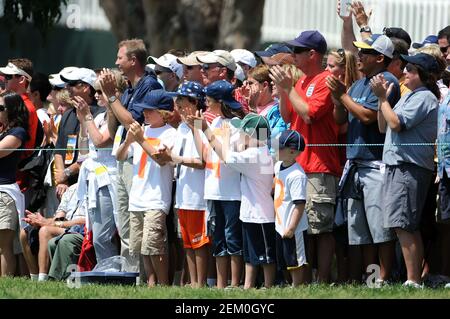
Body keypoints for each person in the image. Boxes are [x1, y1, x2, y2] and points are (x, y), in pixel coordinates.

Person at [327, 34, 401, 283]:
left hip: (375, 164)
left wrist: (343, 97)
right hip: (356, 163)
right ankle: (370, 280)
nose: (359, 56)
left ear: (380, 58)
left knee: (380, 229)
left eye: (366, 52)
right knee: (363, 232)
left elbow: (369, 116)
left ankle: (384, 277)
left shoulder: (386, 80)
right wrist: (338, 100)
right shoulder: (360, 83)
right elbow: (341, 120)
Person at [270, 30, 341, 284]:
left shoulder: (324, 79)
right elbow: (289, 117)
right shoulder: (301, 82)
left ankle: (322, 278)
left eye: (298, 51)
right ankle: (306, 277)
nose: (294, 55)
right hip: (299, 164)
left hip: (319, 165)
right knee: (302, 226)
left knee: (320, 228)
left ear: (312, 54)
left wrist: (289, 88)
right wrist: (282, 91)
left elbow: (309, 113)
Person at [371, 53, 443, 288]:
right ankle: (415, 278)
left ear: (424, 75)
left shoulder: (424, 97)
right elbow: (383, 126)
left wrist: (383, 99)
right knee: (404, 223)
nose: (405, 72)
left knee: (404, 224)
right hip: (398, 165)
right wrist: (382, 100)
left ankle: (412, 279)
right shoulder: (409, 95)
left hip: (408, 167)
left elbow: (397, 124)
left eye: (411, 68)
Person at [188, 112, 275, 289]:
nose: (239, 136)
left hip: (261, 214)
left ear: (251, 135)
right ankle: (247, 286)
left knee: (266, 255)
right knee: (251, 254)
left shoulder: (255, 155)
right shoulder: (260, 151)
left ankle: (268, 285)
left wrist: (205, 129)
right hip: (252, 212)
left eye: (242, 132)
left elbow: (225, 156)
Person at [116, 89, 176, 286]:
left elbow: (160, 160)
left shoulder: (170, 133)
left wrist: (140, 138)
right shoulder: (143, 130)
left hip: (156, 198)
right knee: (141, 246)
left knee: (154, 245)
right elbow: (120, 156)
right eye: (144, 110)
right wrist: (128, 141)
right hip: (137, 198)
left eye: (150, 110)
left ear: (164, 113)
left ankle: (163, 282)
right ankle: (150, 282)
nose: (145, 114)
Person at [160, 81, 210, 288]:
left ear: (194, 102)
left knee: (200, 243)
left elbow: (203, 161)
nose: (178, 106)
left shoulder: (203, 125)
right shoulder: (181, 128)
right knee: (187, 243)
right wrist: (167, 155)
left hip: (198, 195)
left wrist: (176, 158)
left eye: (182, 101)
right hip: (183, 195)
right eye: (177, 102)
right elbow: (175, 156)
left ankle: (201, 281)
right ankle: (192, 280)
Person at [75, 72, 126, 263]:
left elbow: (100, 140)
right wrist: (83, 122)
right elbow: (84, 150)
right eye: (95, 91)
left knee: (105, 235)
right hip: (94, 178)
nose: (96, 95)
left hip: (109, 179)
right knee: (98, 235)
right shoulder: (97, 117)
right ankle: (106, 268)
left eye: (100, 91)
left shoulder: (114, 118)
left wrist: (86, 117)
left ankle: (113, 270)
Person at [21, 183, 85, 281]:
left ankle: (43, 279)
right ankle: (34, 277)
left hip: (81, 229)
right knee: (25, 233)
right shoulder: (72, 189)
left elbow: (86, 221)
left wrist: (50, 224)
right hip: (65, 226)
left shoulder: (92, 189)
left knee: (45, 230)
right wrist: (40, 221)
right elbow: (58, 217)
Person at [274, 130, 309, 287]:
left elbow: (299, 204)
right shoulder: (278, 166)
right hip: (280, 223)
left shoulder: (297, 175)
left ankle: (297, 285)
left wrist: (292, 228)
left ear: (293, 151)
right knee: (284, 257)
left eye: (279, 147)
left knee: (295, 258)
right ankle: (290, 285)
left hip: (293, 226)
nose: (275, 150)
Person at [0, 92, 29, 276]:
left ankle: (5, 283)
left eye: (1, 107)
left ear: (11, 110)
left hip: (4, 194)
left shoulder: (18, 132)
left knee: (3, 246)